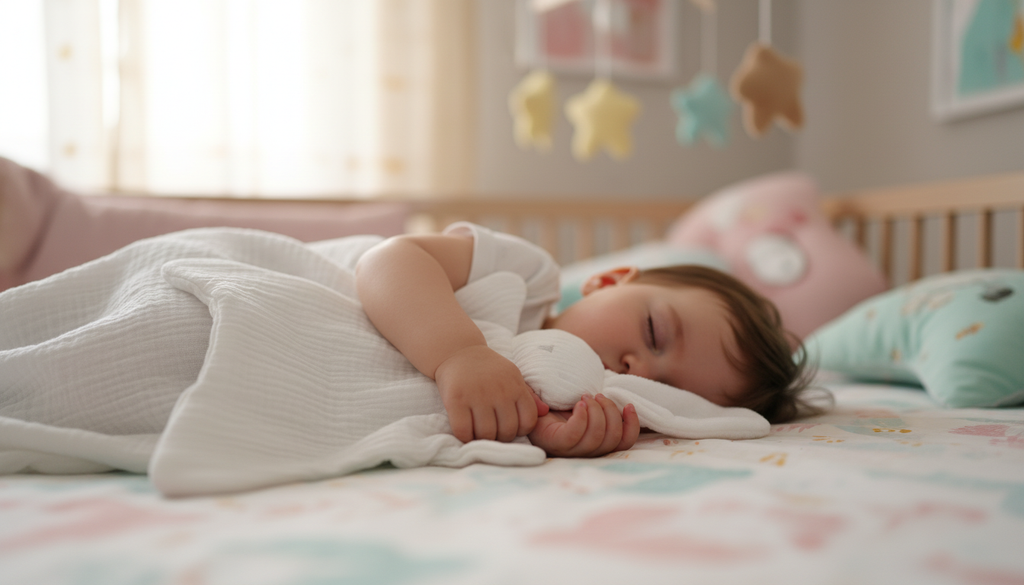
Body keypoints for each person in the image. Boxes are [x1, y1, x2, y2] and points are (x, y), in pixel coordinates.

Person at [356, 222, 816, 459]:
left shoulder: (567, 407)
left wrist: (543, 434)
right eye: (654, 333)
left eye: (668, 394)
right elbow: (388, 260)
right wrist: (460, 353)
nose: (640, 372)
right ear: (609, 281)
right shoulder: (526, 277)